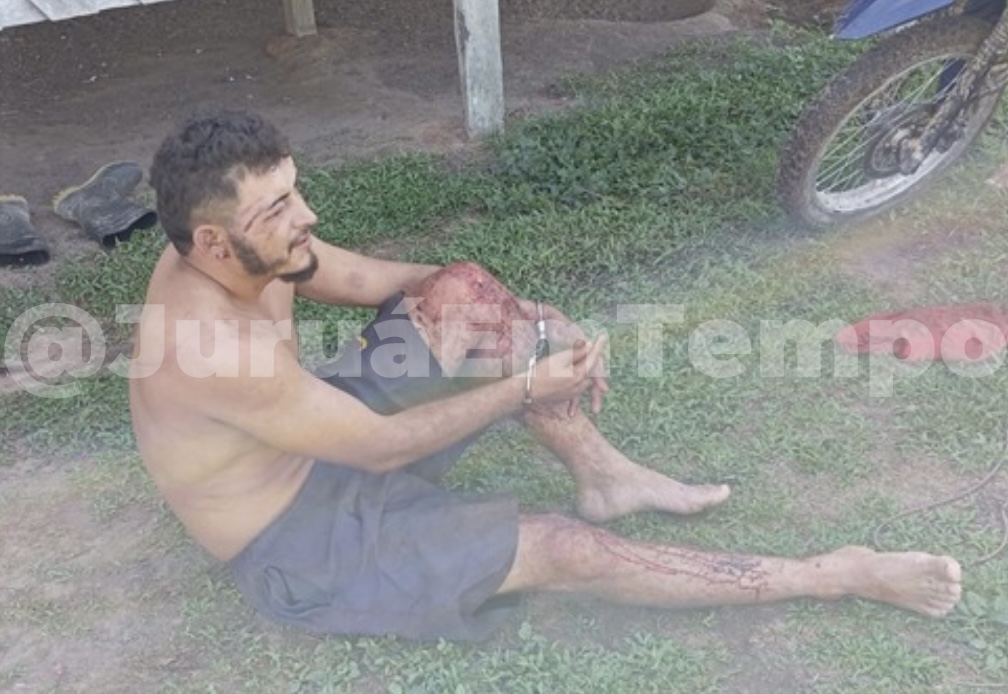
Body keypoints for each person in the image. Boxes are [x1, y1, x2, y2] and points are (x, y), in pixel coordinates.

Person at [129, 108, 962, 643]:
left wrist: (511, 308)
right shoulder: (207, 346)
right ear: (212, 242)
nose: (306, 216)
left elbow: (363, 277)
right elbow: (382, 447)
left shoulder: (253, 250)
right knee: (563, 548)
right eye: (278, 209)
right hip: (302, 542)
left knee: (460, 286)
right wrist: (526, 384)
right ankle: (831, 572)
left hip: (320, 440)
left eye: (295, 192)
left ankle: (605, 476)